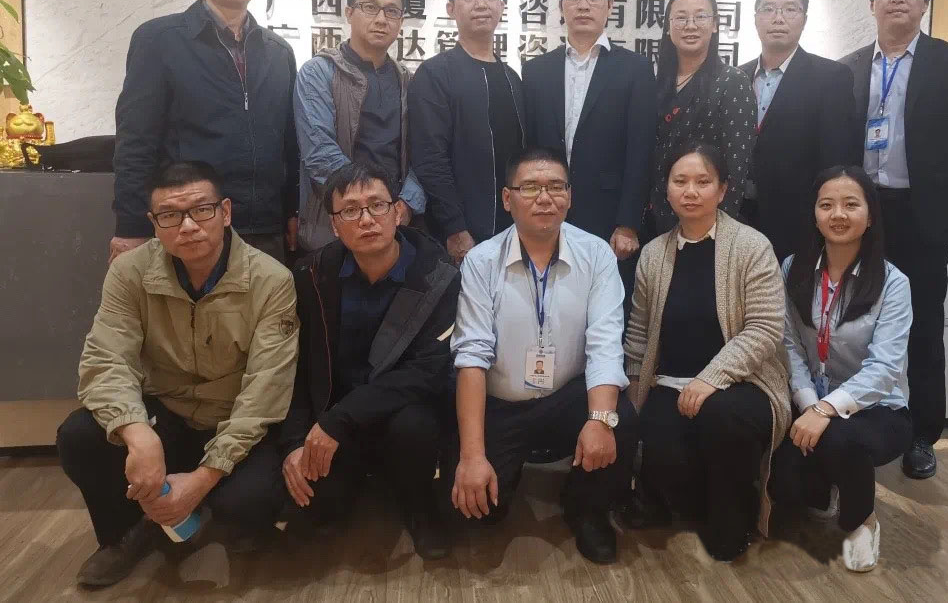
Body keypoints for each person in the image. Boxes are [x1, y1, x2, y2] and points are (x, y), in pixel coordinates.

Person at [56, 161, 299, 588]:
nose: (188, 226)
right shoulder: (129, 272)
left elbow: (265, 393)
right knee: (79, 436)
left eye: (202, 210)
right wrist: (136, 432)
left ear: (225, 212)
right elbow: (106, 360)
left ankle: (203, 509)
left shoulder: (271, 280)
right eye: (170, 215)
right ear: (154, 224)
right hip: (166, 413)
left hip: (233, 423)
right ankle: (124, 534)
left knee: (250, 502)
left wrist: (204, 478)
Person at [447, 147, 638, 564]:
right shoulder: (481, 261)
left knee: (619, 418)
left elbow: (605, 343)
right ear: (507, 198)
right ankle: (504, 471)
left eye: (555, 186)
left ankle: (586, 508)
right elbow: (471, 356)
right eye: (530, 187)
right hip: (502, 405)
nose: (544, 197)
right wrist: (472, 457)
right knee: (480, 515)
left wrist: (599, 421)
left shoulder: (596, 255)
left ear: (570, 195)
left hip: (566, 396)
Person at [839, 0, 948, 479]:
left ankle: (923, 433)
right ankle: (851, 419)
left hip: (921, 213)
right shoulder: (848, 68)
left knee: (923, 323)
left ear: (924, 2)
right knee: (852, 319)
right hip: (863, 213)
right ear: (872, 3)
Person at [280, 162, 458, 559]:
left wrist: (338, 421)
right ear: (334, 225)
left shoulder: (438, 274)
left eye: (377, 205)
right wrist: (294, 442)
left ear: (398, 211)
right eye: (350, 210)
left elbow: (427, 372)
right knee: (316, 510)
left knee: (414, 424)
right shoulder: (310, 275)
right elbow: (297, 366)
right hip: (333, 414)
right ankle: (358, 481)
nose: (366, 219)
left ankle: (419, 506)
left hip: (400, 413)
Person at [623, 143, 790, 561]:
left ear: (723, 189)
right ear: (666, 189)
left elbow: (765, 329)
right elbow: (640, 332)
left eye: (703, 181)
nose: (691, 191)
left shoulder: (752, 247)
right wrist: (633, 391)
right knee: (661, 449)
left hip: (744, 384)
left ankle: (734, 519)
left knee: (721, 416)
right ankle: (688, 501)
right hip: (669, 383)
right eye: (680, 181)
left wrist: (711, 379)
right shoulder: (653, 254)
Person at [111, 0, 299, 264]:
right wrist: (131, 225)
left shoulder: (278, 52)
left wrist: (292, 211)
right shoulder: (159, 40)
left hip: (264, 228)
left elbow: (289, 145)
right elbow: (135, 142)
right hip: (188, 225)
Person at [771, 165, 913, 572]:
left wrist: (826, 409)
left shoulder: (893, 283)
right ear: (814, 214)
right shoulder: (793, 268)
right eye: (826, 205)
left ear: (870, 216)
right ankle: (825, 485)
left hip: (877, 408)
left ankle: (861, 521)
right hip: (809, 400)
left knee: (840, 439)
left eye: (851, 205)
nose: (838, 214)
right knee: (786, 487)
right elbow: (789, 345)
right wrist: (808, 404)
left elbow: (885, 368)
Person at [522, 0, 655, 268]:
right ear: (561, 5)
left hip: (609, 219)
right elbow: (528, 147)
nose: (583, 5)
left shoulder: (635, 69)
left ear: (610, 5)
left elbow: (641, 150)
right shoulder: (536, 71)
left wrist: (628, 223)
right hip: (545, 210)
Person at [293, 0, 426, 252]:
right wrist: (372, 208)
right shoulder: (318, 73)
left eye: (391, 11)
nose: (381, 19)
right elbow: (320, 153)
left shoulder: (408, 81)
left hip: (397, 226)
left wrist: (406, 204)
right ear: (349, 12)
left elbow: (423, 153)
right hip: (334, 229)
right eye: (370, 7)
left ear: (401, 21)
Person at [408, 0, 526, 263]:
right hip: (457, 233)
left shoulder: (513, 78)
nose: (481, 4)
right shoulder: (435, 73)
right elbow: (429, 157)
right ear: (451, 9)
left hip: (514, 229)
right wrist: (454, 227)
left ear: (501, 6)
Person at [738, 0, 858, 262]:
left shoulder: (831, 78)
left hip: (799, 222)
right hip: (739, 219)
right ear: (756, 18)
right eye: (768, 9)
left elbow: (838, 159)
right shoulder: (737, 77)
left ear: (804, 19)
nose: (778, 18)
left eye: (790, 9)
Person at [649, 0, 755, 235]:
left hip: (706, 223)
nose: (690, 25)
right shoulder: (653, 84)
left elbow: (736, 170)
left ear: (715, 24)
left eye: (700, 16)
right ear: (668, 26)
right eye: (681, 17)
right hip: (653, 222)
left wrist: (717, 233)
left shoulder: (732, 82)